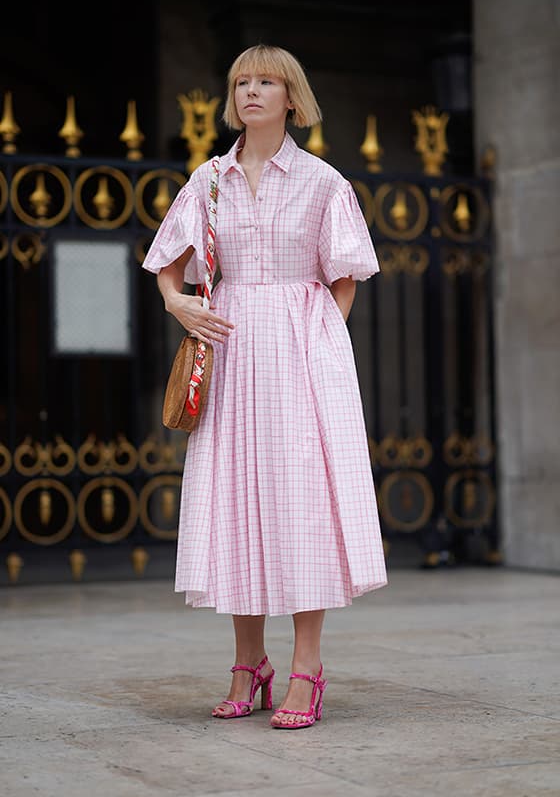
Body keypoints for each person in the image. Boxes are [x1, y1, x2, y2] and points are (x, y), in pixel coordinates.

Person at [142, 44, 387, 729]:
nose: (251, 91)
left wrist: (316, 344)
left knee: (300, 503)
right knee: (236, 501)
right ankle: (250, 664)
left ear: (291, 97)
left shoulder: (323, 183)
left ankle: (307, 667)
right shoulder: (208, 179)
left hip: (300, 352)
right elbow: (168, 266)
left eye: (266, 82)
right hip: (227, 350)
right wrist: (178, 303)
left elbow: (343, 278)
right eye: (241, 82)